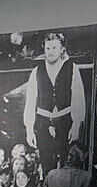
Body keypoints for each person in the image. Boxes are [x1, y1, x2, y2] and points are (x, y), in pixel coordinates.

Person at [6, 32, 83, 172]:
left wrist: (76, 125)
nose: (50, 52)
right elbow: (30, 101)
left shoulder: (72, 68)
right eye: (48, 48)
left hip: (65, 122)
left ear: (62, 49)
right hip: (43, 123)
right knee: (47, 165)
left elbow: (78, 97)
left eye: (54, 48)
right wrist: (29, 129)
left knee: (66, 164)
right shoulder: (37, 71)